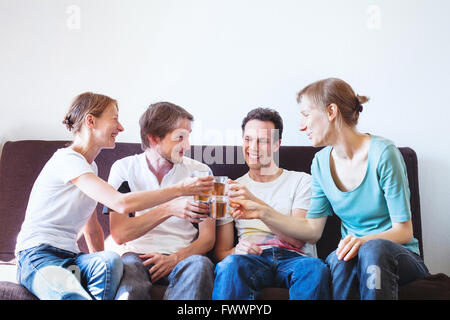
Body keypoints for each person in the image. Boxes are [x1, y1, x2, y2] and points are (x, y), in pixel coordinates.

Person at [231, 78, 430, 300]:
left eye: (306, 115)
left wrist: (363, 242)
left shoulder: (383, 154)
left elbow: (404, 231)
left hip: (398, 256)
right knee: (337, 260)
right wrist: (261, 211)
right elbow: (312, 231)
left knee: (371, 250)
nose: (301, 125)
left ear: (331, 111)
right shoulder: (320, 163)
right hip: (352, 255)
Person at [15, 92, 211, 300]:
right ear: (91, 121)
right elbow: (121, 203)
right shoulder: (67, 160)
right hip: (39, 254)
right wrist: (178, 193)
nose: (121, 127)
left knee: (110, 261)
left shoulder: (91, 168)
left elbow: (91, 229)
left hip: (72, 256)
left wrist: (101, 257)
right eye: (115, 118)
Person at [212, 108, 330, 300]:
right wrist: (236, 250)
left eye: (262, 141)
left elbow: (298, 239)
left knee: (316, 269)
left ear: (277, 145)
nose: (253, 147)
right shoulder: (231, 188)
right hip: (251, 258)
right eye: (248, 139)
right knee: (229, 266)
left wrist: (255, 205)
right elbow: (221, 252)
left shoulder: (302, 181)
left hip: (297, 259)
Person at [104, 101, 216, 300]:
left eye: (188, 136)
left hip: (183, 256)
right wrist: (169, 208)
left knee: (201, 265)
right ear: (154, 138)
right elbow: (120, 234)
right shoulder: (124, 169)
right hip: (136, 254)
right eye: (180, 137)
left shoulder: (200, 172)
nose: (187, 145)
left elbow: (207, 238)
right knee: (129, 270)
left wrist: (174, 259)